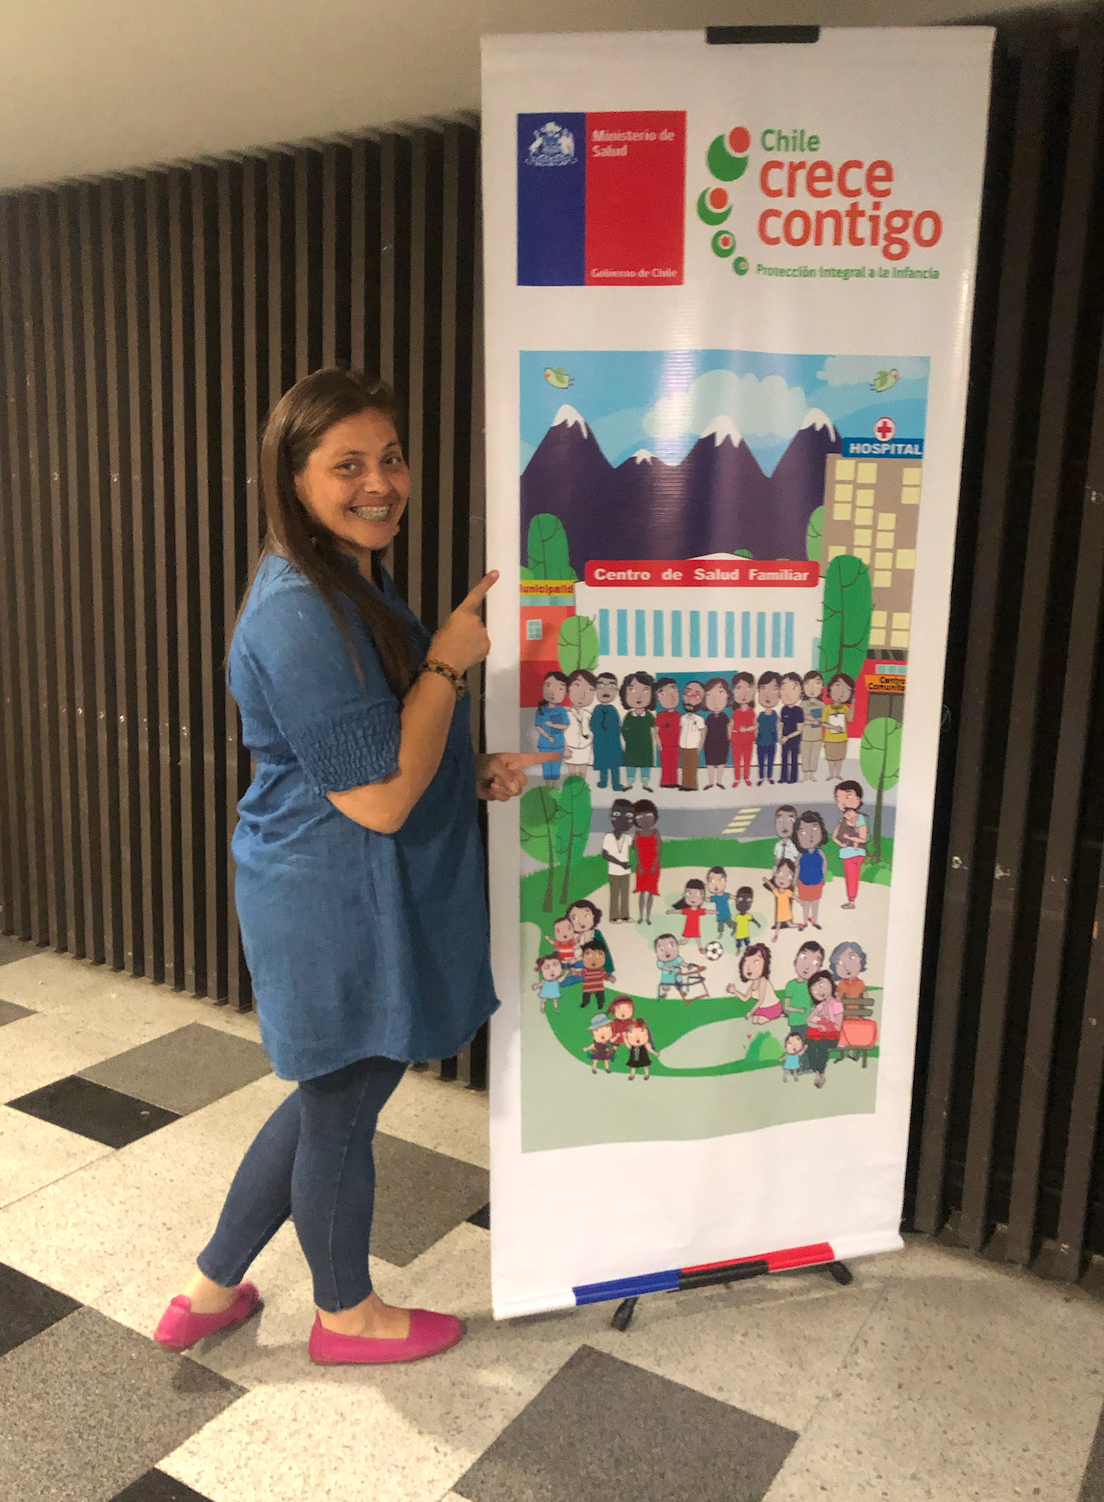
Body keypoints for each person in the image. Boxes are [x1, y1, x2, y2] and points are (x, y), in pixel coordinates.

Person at [153, 370, 548, 1368]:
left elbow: (376, 744)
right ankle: (346, 1315)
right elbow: (375, 796)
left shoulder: (348, 579)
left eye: (391, 457)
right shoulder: (297, 610)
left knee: (332, 1093)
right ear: (293, 479)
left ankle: (209, 1288)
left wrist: (467, 772)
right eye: (348, 466)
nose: (381, 483)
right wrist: (449, 659)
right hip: (331, 895)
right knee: (341, 1107)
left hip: (356, 880)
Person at [832, 780, 868, 908]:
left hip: (855, 853)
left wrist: (851, 839)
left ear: (859, 799)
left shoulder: (860, 818)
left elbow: (863, 838)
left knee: (852, 877)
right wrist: (840, 843)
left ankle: (851, 900)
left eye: (848, 797)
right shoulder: (843, 820)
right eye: (838, 799)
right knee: (850, 877)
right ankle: (851, 899)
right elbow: (834, 836)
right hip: (847, 852)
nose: (843, 802)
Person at [804, 970, 844, 1087]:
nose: (819, 991)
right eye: (815, 990)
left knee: (822, 1045)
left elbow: (837, 1026)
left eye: (821, 985)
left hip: (832, 1036)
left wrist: (825, 1021)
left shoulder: (837, 1004)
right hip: (820, 1033)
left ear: (830, 983)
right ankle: (816, 1071)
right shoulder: (821, 1005)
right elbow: (809, 1020)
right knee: (809, 1043)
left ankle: (821, 1072)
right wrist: (819, 1025)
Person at [726, 942, 782, 1023]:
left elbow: (761, 1000)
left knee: (760, 1021)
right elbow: (745, 998)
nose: (749, 968)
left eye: (755, 962)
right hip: (761, 1009)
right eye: (747, 962)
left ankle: (777, 1015)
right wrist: (734, 991)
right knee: (755, 1021)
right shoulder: (752, 985)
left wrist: (751, 1012)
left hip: (772, 1007)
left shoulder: (763, 980)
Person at [620, 671, 657, 790]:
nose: (639, 696)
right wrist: (629, 739)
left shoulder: (649, 716)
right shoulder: (629, 716)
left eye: (645, 690)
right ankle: (630, 783)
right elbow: (624, 730)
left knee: (645, 765)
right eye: (632, 690)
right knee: (631, 765)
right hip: (632, 746)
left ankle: (645, 784)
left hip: (646, 746)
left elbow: (655, 730)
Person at [794, 809, 830, 929]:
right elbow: (797, 867)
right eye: (803, 832)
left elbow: (824, 864)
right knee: (805, 903)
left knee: (815, 903)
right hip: (803, 882)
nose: (809, 836)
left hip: (817, 881)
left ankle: (814, 921)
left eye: (814, 829)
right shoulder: (801, 854)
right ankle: (805, 921)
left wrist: (822, 876)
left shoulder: (820, 853)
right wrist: (794, 881)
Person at [602, 798, 636, 923]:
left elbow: (636, 847)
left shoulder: (627, 837)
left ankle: (625, 915)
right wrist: (620, 863)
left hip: (625, 871)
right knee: (615, 894)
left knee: (625, 894)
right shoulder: (608, 837)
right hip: (614, 871)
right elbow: (605, 855)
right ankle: (614, 916)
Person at [591, 672, 626, 791]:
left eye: (611, 686)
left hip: (613, 742)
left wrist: (613, 734)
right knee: (603, 765)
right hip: (600, 742)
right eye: (601, 686)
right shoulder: (597, 709)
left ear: (616, 691)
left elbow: (618, 725)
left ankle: (616, 783)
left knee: (615, 765)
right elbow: (593, 725)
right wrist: (599, 733)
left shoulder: (613, 709)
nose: (606, 690)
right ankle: (603, 782)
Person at [534, 670, 570, 785]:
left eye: (560, 688)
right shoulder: (541, 709)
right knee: (546, 766)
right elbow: (538, 726)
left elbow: (565, 726)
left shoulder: (561, 710)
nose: (553, 692)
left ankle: (554, 785)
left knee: (556, 766)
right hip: (544, 744)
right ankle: (547, 786)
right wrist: (548, 737)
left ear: (565, 692)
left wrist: (554, 725)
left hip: (559, 744)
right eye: (548, 686)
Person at [632, 799, 662, 925]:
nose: (644, 820)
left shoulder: (656, 833)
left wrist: (655, 864)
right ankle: (640, 916)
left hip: (653, 865)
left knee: (651, 892)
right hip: (642, 865)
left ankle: (648, 917)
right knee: (642, 892)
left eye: (648, 816)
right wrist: (639, 865)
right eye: (640, 817)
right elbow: (635, 850)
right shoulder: (637, 834)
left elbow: (660, 850)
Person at [563, 668, 597, 777]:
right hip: (570, 748)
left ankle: (582, 787)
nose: (583, 694)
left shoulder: (589, 715)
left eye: (590, 689)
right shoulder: (564, 714)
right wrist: (565, 749)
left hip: (585, 749)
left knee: (583, 773)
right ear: (568, 688)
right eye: (577, 685)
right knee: (572, 773)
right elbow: (559, 734)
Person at [823, 672, 855, 781]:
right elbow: (823, 722)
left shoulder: (845, 708)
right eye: (838, 686)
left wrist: (853, 705)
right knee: (830, 758)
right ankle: (831, 774)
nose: (841, 693)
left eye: (847, 689)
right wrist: (833, 727)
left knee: (840, 758)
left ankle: (838, 774)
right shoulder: (827, 708)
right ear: (830, 688)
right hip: (830, 738)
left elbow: (850, 719)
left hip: (842, 738)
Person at [702, 677, 732, 789]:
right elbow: (705, 730)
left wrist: (730, 739)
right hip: (710, 744)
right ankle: (710, 782)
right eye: (709, 695)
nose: (715, 700)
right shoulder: (709, 717)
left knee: (721, 763)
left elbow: (728, 729)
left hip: (722, 743)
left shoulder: (725, 717)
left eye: (720, 693)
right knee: (710, 764)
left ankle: (719, 781)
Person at [654, 676, 683, 788]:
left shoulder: (679, 715)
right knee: (666, 765)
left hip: (676, 746)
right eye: (663, 693)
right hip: (665, 746)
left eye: (674, 691)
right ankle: (665, 782)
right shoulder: (661, 716)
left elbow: (681, 730)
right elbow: (656, 731)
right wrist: (659, 744)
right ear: (658, 697)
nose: (671, 697)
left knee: (674, 765)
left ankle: (673, 781)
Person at [668, 877, 710, 954]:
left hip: (695, 928)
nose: (693, 897)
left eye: (698, 894)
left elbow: (707, 911)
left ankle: (700, 947)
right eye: (689, 894)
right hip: (689, 928)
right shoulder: (688, 911)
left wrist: (717, 912)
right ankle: (673, 943)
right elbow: (680, 911)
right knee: (685, 941)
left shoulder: (699, 911)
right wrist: (671, 911)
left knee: (697, 938)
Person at [729, 671, 756, 788]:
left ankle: (746, 777)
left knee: (747, 760)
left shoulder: (751, 711)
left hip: (748, 740)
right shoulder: (735, 712)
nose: (744, 693)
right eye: (739, 688)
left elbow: (756, 725)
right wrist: (730, 735)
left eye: (748, 687)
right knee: (736, 761)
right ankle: (737, 778)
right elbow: (731, 724)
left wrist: (747, 729)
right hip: (736, 741)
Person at [679, 680, 707, 791]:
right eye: (688, 693)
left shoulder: (699, 719)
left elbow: (703, 733)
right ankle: (685, 784)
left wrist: (699, 747)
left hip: (694, 746)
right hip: (684, 745)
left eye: (696, 695)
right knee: (685, 766)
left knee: (692, 767)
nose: (691, 698)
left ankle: (692, 785)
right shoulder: (683, 718)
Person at [778, 672, 805, 785]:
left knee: (794, 758)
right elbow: (781, 724)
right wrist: (780, 737)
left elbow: (799, 730)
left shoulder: (799, 710)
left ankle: (793, 778)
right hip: (784, 739)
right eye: (783, 688)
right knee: (784, 757)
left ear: (801, 693)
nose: (787, 693)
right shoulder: (783, 709)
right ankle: (783, 777)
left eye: (793, 688)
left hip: (794, 739)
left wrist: (787, 737)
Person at [755, 672, 781, 786]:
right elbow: (756, 727)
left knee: (770, 761)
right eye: (763, 688)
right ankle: (761, 778)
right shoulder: (760, 715)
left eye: (774, 689)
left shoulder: (775, 715)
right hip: (761, 742)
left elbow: (779, 727)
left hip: (771, 742)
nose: (768, 694)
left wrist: (779, 737)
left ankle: (769, 776)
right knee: (761, 761)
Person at [763, 858, 797, 941]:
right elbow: (772, 887)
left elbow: (794, 896)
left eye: (788, 876)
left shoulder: (787, 892)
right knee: (778, 923)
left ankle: (799, 925)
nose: (782, 879)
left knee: (789, 922)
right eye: (780, 873)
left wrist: (800, 901)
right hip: (780, 911)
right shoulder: (777, 892)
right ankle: (776, 936)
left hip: (786, 910)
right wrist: (767, 881)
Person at [800, 670, 825, 782]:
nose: (812, 688)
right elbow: (800, 718)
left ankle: (812, 774)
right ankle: (805, 774)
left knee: (815, 755)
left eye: (817, 683)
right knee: (805, 755)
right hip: (805, 735)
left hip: (817, 736)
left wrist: (815, 720)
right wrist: (811, 719)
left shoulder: (822, 705)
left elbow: (824, 719)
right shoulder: (803, 704)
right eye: (808, 684)